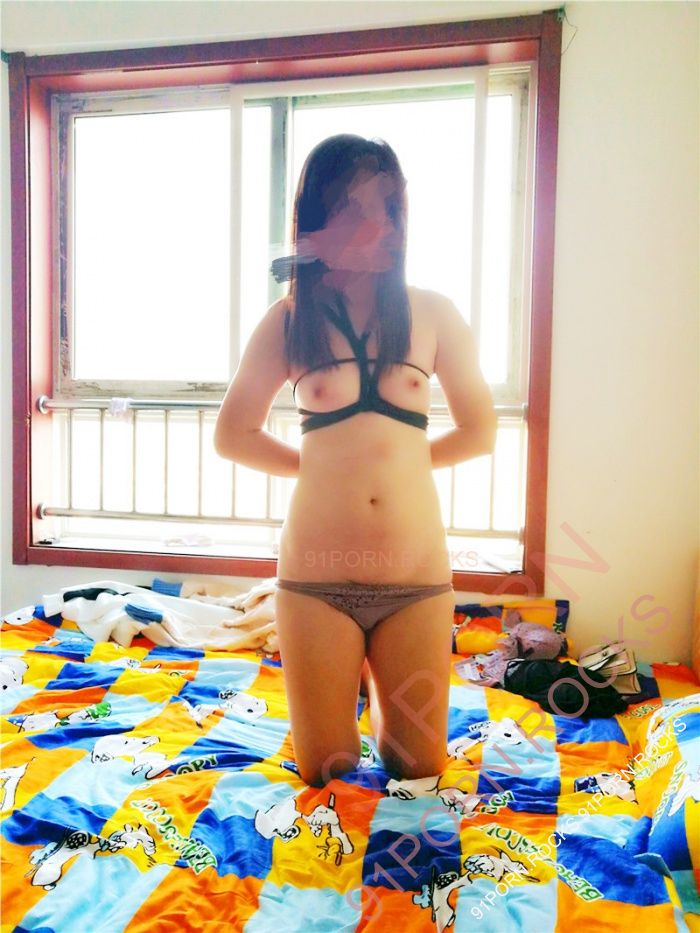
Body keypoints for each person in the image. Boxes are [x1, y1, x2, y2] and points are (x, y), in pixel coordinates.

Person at [214, 134, 497, 788]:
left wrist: (401, 466)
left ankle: (380, 692)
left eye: (387, 207)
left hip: (414, 581)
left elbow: (480, 432)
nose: (375, 225)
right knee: (327, 770)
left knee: (417, 767)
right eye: (353, 208)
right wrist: (318, 469)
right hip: (316, 582)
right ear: (318, 221)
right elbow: (234, 434)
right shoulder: (289, 321)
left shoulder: (433, 313)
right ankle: (350, 685)